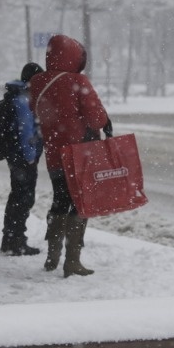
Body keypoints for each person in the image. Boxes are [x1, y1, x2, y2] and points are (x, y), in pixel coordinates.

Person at [28, 35, 110, 277]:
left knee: (60, 200)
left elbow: (38, 111)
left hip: (54, 152)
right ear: (76, 57)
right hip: (79, 153)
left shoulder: (37, 81)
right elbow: (97, 118)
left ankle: (52, 257)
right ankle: (72, 260)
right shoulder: (77, 81)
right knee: (79, 202)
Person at [0, 62, 45, 256]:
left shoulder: (17, 95)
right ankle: (16, 241)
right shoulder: (23, 99)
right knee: (23, 198)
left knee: (17, 197)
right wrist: (30, 157)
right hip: (23, 158)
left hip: (15, 155)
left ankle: (9, 239)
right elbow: (26, 130)